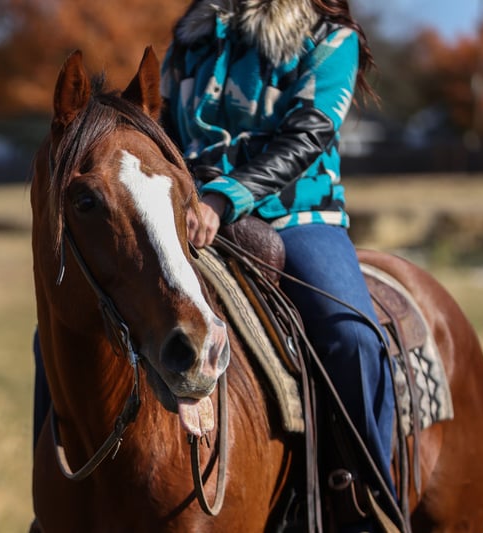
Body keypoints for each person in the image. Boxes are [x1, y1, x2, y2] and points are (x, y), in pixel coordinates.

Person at [159, 0, 395, 528]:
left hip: (297, 214)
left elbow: (308, 134)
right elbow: (163, 131)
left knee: (353, 337)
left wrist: (223, 197)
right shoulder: (190, 40)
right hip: (189, 215)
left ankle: (367, 502)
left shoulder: (328, 36)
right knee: (68, 325)